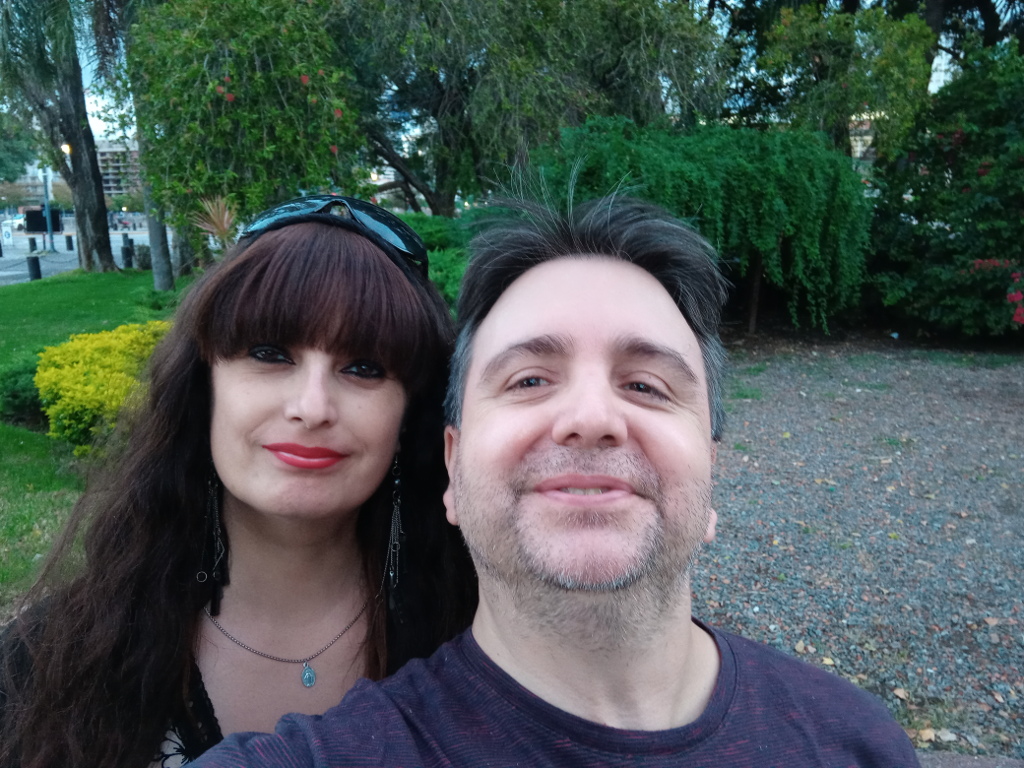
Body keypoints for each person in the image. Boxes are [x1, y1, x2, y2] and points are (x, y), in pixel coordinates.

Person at [192, 194, 919, 767]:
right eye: (530, 379)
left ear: (710, 471)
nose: (591, 418)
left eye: (646, 385)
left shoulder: (858, 744)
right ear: (452, 466)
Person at [0, 195, 476, 768]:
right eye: (270, 354)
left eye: (363, 367)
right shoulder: (44, 668)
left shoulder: (485, 640)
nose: (312, 407)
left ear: (410, 418)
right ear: (204, 390)